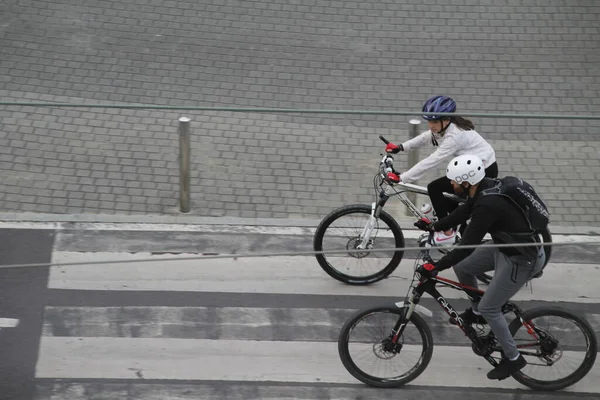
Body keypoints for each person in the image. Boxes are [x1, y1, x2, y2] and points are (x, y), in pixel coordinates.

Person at [414, 154, 545, 381]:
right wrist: (434, 226)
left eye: (454, 181)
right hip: (503, 247)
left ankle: (513, 358)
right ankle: (477, 313)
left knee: (490, 307)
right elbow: (462, 213)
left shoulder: (488, 204)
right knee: (464, 268)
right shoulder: (483, 187)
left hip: (521, 259)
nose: (451, 185)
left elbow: (466, 246)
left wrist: (436, 267)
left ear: (466, 182)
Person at [385, 95, 498, 245]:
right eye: (429, 121)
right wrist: (401, 147)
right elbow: (427, 137)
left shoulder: (454, 136)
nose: (431, 125)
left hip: (483, 171)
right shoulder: (445, 126)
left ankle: (447, 232)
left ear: (446, 120)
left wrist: (402, 178)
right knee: (448, 197)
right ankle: (458, 232)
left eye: (434, 121)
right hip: (470, 167)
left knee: (435, 188)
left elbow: (432, 161)